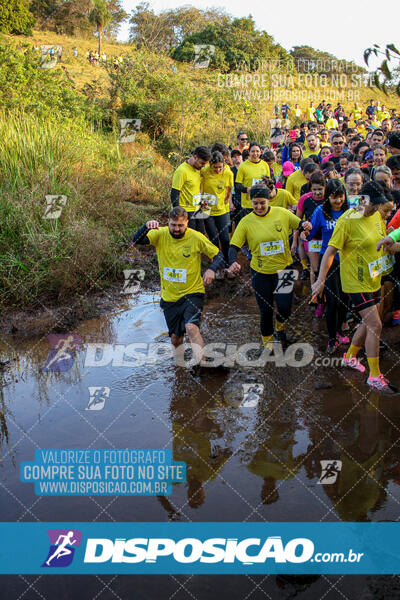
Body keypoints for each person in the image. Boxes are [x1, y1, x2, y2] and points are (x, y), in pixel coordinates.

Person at [312, 182, 398, 393]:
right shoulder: (347, 221)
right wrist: (320, 280)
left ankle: (349, 356)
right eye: (377, 207)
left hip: (373, 277)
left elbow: (382, 243)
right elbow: (330, 252)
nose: (380, 211)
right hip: (354, 281)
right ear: (365, 201)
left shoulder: (377, 217)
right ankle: (374, 376)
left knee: (368, 323)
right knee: (375, 325)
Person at [132, 207, 224, 365]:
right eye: (173, 225)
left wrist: (211, 269)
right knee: (175, 339)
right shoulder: (160, 234)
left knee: (191, 327)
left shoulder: (196, 237)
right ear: (168, 222)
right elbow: (137, 240)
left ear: (187, 223)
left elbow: (218, 255)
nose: (176, 229)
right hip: (170, 297)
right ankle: (179, 370)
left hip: (193, 292)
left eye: (180, 225)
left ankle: (203, 365)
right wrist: (146, 227)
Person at [227, 184, 312, 348]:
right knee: (266, 311)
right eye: (255, 203)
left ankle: (280, 330)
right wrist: (232, 261)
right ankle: (268, 345)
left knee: (285, 307)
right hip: (260, 273)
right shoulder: (246, 222)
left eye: (262, 203)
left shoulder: (282, 213)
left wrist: (306, 226)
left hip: (284, 269)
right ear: (251, 202)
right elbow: (233, 247)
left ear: (269, 200)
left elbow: (300, 224)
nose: (259, 207)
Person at [306, 180, 349, 352]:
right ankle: (332, 338)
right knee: (333, 300)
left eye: (340, 197)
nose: (338, 201)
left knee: (344, 300)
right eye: (334, 197)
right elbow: (311, 234)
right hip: (329, 260)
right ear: (328, 197)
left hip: (348, 260)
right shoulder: (320, 211)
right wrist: (306, 229)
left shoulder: (350, 211)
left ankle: (339, 330)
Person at [201, 151, 233, 267]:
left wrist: (227, 200)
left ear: (224, 165)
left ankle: (227, 261)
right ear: (210, 165)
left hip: (221, 209)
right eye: (215, 167)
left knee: (224, 238)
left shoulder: (228, 173)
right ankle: (217, 264)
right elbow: (198, 186)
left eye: (220, 167)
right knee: (213, 238)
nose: (218, 170)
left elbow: (229, 188)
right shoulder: (204, 171)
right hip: (206, 209)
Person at [171, 146, 211, 232]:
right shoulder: (181, 171)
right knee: (189, 237)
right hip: (186, 211)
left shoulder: (198, 169)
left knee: (201, 235)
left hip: (198, 208)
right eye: (202, 163)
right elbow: (174, 193)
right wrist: (178, 215)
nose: (203, 166)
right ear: (195, 157)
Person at [235, 142, 270, 216]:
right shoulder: (243, 166)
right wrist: (248, 189)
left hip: (262, 203)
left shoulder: (265, 165)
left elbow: (268, 183)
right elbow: (238, 186)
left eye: (257, 151)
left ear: (261, 152)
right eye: (253, 151)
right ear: (249, 152)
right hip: (248, 204)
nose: (255, 154)